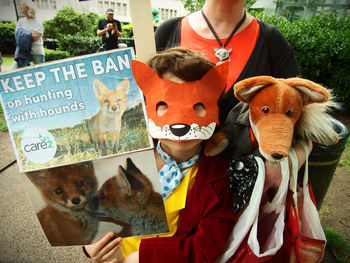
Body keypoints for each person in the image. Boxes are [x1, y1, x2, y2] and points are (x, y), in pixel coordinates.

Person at [83, 47, 238, 263]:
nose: (181, 122)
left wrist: (144, 258)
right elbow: (95, 209)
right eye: (164, 104)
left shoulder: (218, 180)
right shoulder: (123, 156)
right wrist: (92, 241)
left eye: (198, 105)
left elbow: (205, 249)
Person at [154, 0, 310, 192]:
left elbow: (305, 119)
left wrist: (289, 162)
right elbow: (141, 109)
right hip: (173, 185)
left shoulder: (270, 40)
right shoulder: (167, 32)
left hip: (247, 192)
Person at [13, 0, 45, 69]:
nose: (19, 7)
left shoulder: (38, 23)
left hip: (37, 52)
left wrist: (23, 33)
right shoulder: (20, 22)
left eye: (22, 5)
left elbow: (36, 38)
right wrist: (30, 35)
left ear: (28, 8)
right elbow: (18, 37)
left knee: (41, 72)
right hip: (22, 53)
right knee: (14, 72)